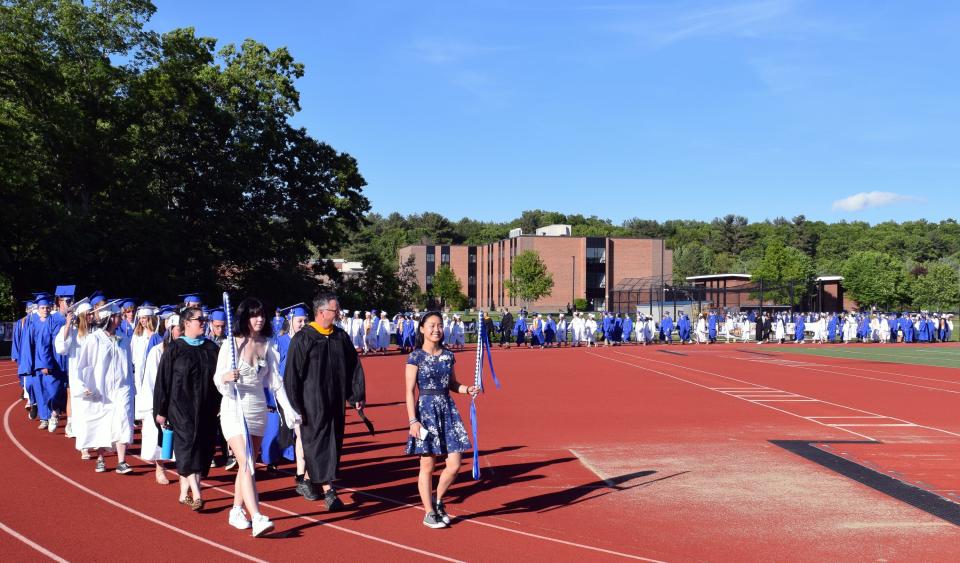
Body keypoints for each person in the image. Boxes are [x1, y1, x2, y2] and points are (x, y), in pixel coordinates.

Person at [215, 298, 299, 537]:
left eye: (262, 315)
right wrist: (226, 378)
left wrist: (288, 410)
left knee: (246, 465)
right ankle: (258, 516)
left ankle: (236, 510)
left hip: (257, 409)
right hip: (234, 407)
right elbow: (217, 378)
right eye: (254, 315)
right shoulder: (231, 344)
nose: (259, 319)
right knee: (248, 462)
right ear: (244, 318)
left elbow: (275, 383)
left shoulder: (268, 345)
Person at [283, 291, 366, 511]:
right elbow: (292, 375)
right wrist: (296, 406)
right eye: (334, 309)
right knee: (318, 444)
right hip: (312, 403)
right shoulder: (304, 338)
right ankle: (330, 491)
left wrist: (356, 394)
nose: (338, 313)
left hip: (335, 401)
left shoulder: (340, 337)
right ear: (321, 312)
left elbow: (353, 367)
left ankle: (308, 481)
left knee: (333, 443)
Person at [404, 311, 478, 528]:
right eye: (431, 325)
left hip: (447, 410)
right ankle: (428, 512)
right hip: (425, 412)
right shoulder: (415, 357)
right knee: (427, 465)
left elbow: (452, 384)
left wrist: (467, 389)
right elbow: (409, 391)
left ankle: (438, 500)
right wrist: (412, 421)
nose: (436, 329)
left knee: (455, 464)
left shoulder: (448, 355)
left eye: (439, 325)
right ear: (422, 329)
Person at [154, 306, 221, 511]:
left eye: (204, 319)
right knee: (187, 449)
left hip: (207, 409)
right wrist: (160, 410)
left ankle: (184, 493)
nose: (203, 322)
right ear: (186, 323)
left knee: (201, 450)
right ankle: (198, 494)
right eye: (199, 319)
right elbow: (163, 381)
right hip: (180, 408)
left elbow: (219, 380)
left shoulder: (211, 348)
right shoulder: (175, 349)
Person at [75, 299, 135, 474]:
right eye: (118, 316)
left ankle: (122, 461)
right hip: (101, 388)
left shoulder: (123, 340)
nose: (121, 319)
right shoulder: (94, 339)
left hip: (122, 387)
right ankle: (101, 457)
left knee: (123, 419)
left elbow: (129, 366)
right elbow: (82, 365)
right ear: (109, 318)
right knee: (102, 421)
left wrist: (132, 388)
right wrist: (83, 386)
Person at [138, 313, 180, 484]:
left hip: (179, 399)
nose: (182, 332)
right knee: (159, 434)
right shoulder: (157, 351)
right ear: (170, 330)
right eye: (179, 329)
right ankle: (160, 466)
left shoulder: (185, 350)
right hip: (160, 398)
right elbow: (150, 379)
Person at [55, 301, 93, 451]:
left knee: (92, 410)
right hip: (78, 376)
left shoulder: (95, 331)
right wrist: (68, 325)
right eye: (88, 314)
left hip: (93, 376)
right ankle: (83, 445)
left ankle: (91, 441)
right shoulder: (72, 331)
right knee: (80, 410)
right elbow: (61, 347)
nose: (91, 316)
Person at [28, 292, 68, 431]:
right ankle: (46, 415)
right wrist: (41, 363)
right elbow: (40, 345)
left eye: (47, 307)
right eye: (42, 308)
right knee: (46, 390)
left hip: (61, 360)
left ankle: (56, 414)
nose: (45, 310)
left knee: (60, 389)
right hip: (44, 361)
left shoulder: (57, 320)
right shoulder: (33, 322)